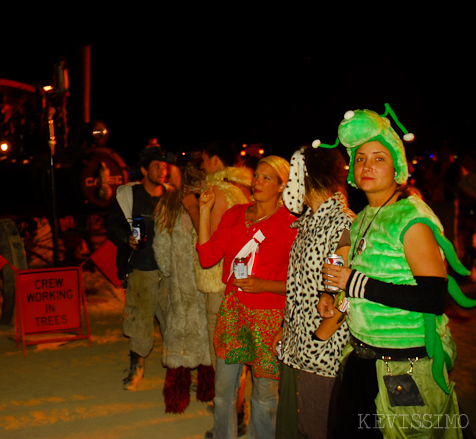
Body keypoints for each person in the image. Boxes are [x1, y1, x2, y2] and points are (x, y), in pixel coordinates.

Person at [318, 107, 474, 438]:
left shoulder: (410, 218)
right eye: (360, 159)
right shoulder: (363, 217)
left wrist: (353, 283)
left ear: (397, 166)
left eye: (379, 158)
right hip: (362, 359)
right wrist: (337, 300)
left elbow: (433, 297)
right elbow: (367, 284)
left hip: (404, 369)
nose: (367, 166)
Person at [197, 156, 297, 439]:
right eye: (257, 176)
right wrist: (204, 211)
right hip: (234, 313)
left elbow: (300, 285)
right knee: (223, 392)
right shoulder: (234, 215)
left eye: (267, 178)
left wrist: (264, 284)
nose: (258, 182)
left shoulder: (291, 225)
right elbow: (207, 258)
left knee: (265, 396)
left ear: (281, 186)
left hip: (270, 318)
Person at [275, 146, 355, 439]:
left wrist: (322, 333)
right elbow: (300, 285)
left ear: (306, 177)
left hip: (322, 354)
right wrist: (286, 328)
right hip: (298, 346)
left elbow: (347, 292)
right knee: (296, 425)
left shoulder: (341, 223)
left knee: (316, 428)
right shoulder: (310, 222)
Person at [185, 140, 252, 435]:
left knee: (224, 351)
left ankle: (234, 415)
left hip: (218, 280)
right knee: (238, 349)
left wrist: (193, 209)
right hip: (242, 279)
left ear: (214, 161)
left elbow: (209, 241)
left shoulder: (220, 193)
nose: (201, 166)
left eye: (204, 160)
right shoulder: (246, 191)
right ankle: (238, 411)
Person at [106, 145, 174, 390]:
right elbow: (112, 227)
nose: (162, 170)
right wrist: (127, 240)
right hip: (140, 270)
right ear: (144, 170)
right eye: (157, 166)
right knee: (139, 322)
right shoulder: (128, 196)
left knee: (173, 323)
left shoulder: (171, 195)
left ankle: (178, 374)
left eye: (164, 166)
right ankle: (137, 367)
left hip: (168, 273)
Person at [153, 151, 214, 413]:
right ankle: (206, 390)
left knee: (178, 339)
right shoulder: (210, 199)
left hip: (180, 287)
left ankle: (176, 400)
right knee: (207, 339)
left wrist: (168, 272)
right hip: (206, 280)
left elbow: (161, 246)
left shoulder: (168, 204)